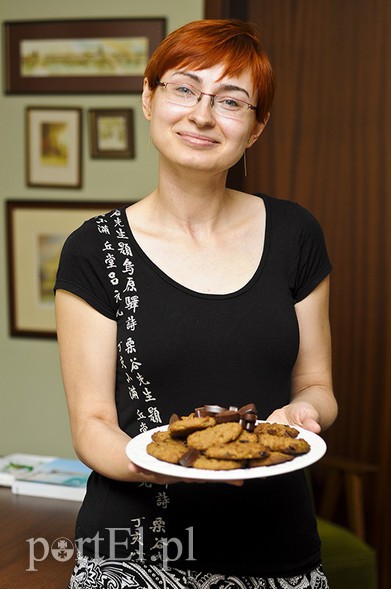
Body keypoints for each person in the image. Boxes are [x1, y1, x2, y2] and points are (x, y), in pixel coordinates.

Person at [55, 18, 338, 589]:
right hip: (132, 557)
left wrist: (304, 414)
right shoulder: (93, 249)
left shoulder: (295, 233)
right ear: (148, 98)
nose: (202, 114)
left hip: (277, 548)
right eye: (183, 88)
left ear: (255, 129)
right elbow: (91, 426)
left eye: (231, 101)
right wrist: (166, 464)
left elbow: (317, 385)